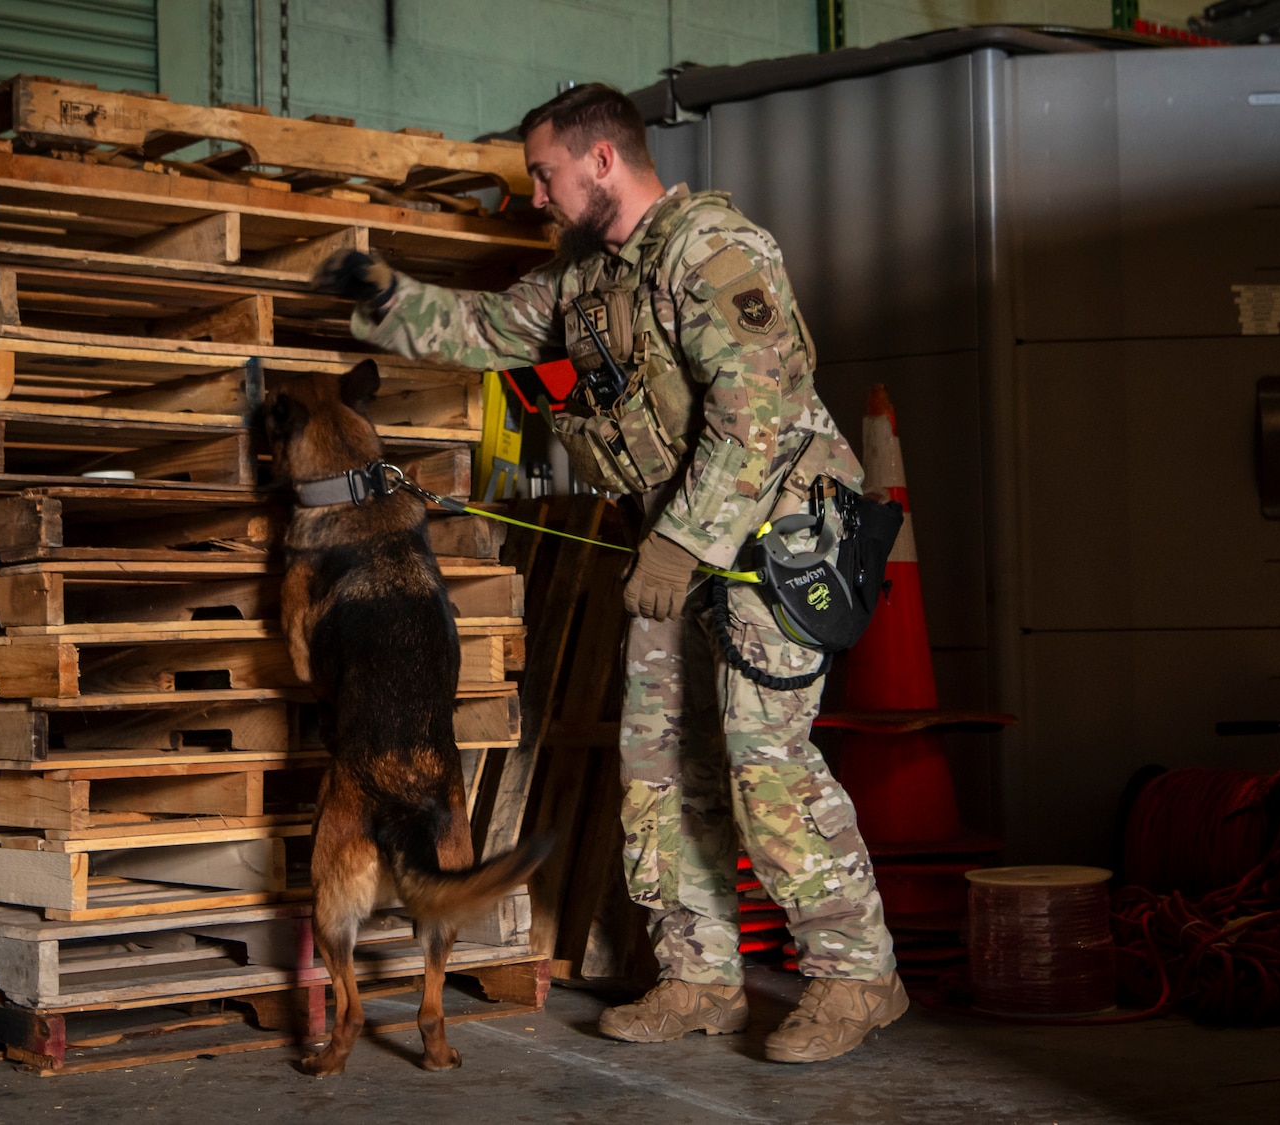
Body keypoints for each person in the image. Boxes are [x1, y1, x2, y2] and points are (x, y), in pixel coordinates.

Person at [313, 82, 905, 1063]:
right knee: (658, 767)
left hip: (771, 544)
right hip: (672, 549)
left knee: (766, 769)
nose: (535, 196)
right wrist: (382, 296)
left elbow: (760, 408)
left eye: (542, 174)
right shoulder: (585, 283)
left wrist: (680, 544)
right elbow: (487, 334)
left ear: (600, 161)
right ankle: (698, 976)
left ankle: (855, 975)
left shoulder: (712, 249)